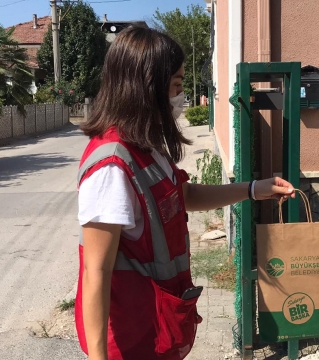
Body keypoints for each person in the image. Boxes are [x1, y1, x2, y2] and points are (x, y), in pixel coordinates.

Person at [74, 27, 295, 360]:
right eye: (176, 85)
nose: (181, 95)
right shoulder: (111, 166)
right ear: (147, 87)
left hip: (156, 327)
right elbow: (96, 272)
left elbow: (183, 196)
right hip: (130, 341)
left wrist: (252, 189)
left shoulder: (145, 147)